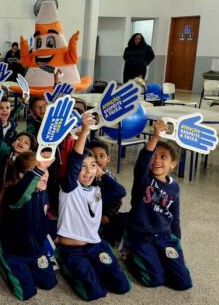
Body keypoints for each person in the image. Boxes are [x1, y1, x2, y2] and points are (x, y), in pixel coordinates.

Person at [55, 113, 131, 301]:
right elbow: (74, 162)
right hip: (71, 249)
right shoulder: (69, 187)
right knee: (95, 293)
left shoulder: (97, 188)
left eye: (93, 166)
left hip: (95, 244)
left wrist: (101, 173)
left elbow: (120, 191)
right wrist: (84, 132)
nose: (88, 171)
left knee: (122, 287)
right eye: (83, 167)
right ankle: (63, 261)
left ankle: (94, 264)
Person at [123, 119, 193, 291]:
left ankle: (160, 258)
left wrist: (179, 249)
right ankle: (130, 254)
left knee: (183, 283)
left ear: (173, 164)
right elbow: (143, 160)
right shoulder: (144, 178)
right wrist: (155, 136)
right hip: (140, 236)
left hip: (163, 237)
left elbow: (175, 218)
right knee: (155, 279)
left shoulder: (175, 187)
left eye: (163, 157)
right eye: (154, 155)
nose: (156, 160)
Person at [0, 151, 57, 300]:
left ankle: (29, 266)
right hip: (14, 251)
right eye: (37, 171)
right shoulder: (15, 193)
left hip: (35, 248)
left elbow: (42, 219)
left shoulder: (42, 192)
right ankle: (2, 263)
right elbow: (22, 194)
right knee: (26, 292)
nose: (44, 175)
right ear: (22, 176)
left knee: (49, 283)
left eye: (45, 170)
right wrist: (39, 168)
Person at [88, 140, 128, 246]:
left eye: (102, 156)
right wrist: (99, 216)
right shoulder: (85, 177)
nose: (98, 160)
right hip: (90, 216)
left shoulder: (110, 177)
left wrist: (108, 215)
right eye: (94, 156)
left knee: (127, 219)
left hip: (107, 215)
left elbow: (118, 198)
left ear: (108, 159)